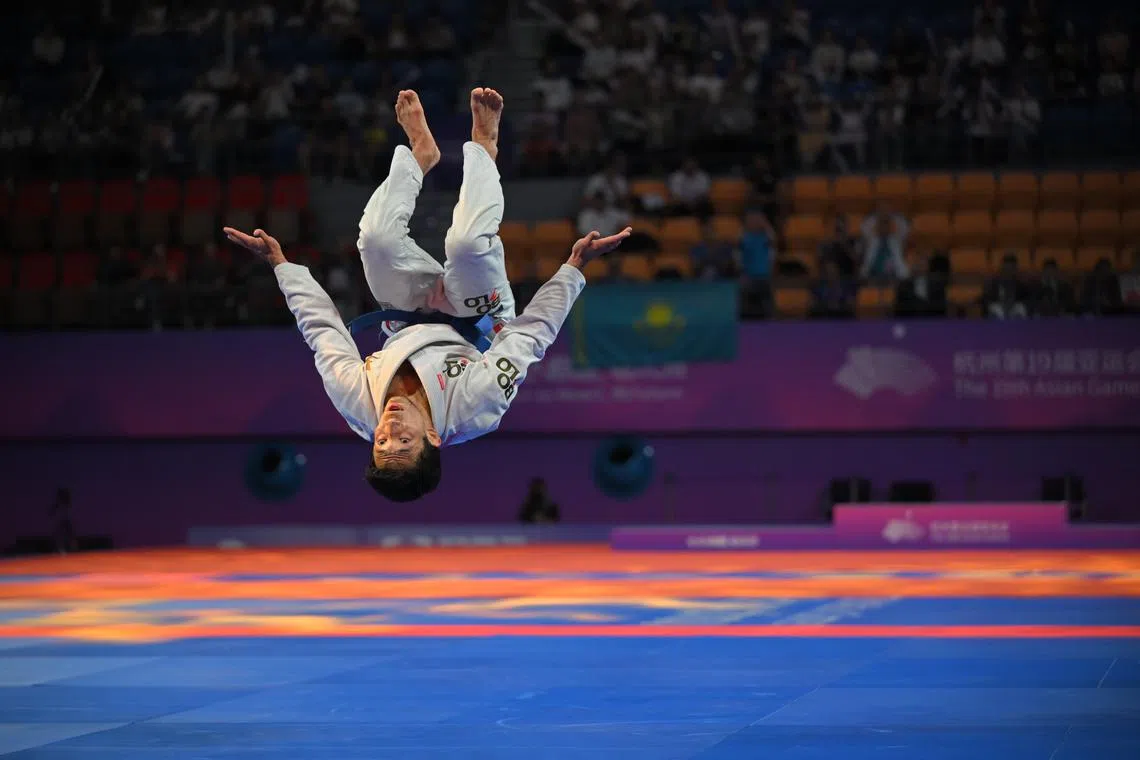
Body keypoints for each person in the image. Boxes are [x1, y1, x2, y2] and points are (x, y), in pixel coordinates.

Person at [224, 88, 631, 503]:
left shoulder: (355, 402)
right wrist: (573, 270)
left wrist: (282, 266)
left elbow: (324, 332)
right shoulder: (476, 406)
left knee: (378, 241)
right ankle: (484, 149)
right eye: (404, 445)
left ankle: (420, 154)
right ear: (433, 437)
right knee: (468, 245)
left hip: (407, 314)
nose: (389, 434)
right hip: (478, 319)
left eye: (381, 446)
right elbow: (529, 338)